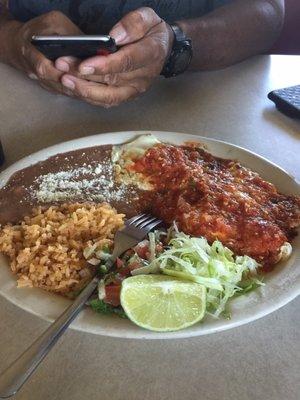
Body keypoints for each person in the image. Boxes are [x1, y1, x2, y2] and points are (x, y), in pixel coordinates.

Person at [0, 1, 284, 108]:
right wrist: (14, 39)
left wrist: (173, 44)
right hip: (30, 105)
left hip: (203, 108)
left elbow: (269, 12)